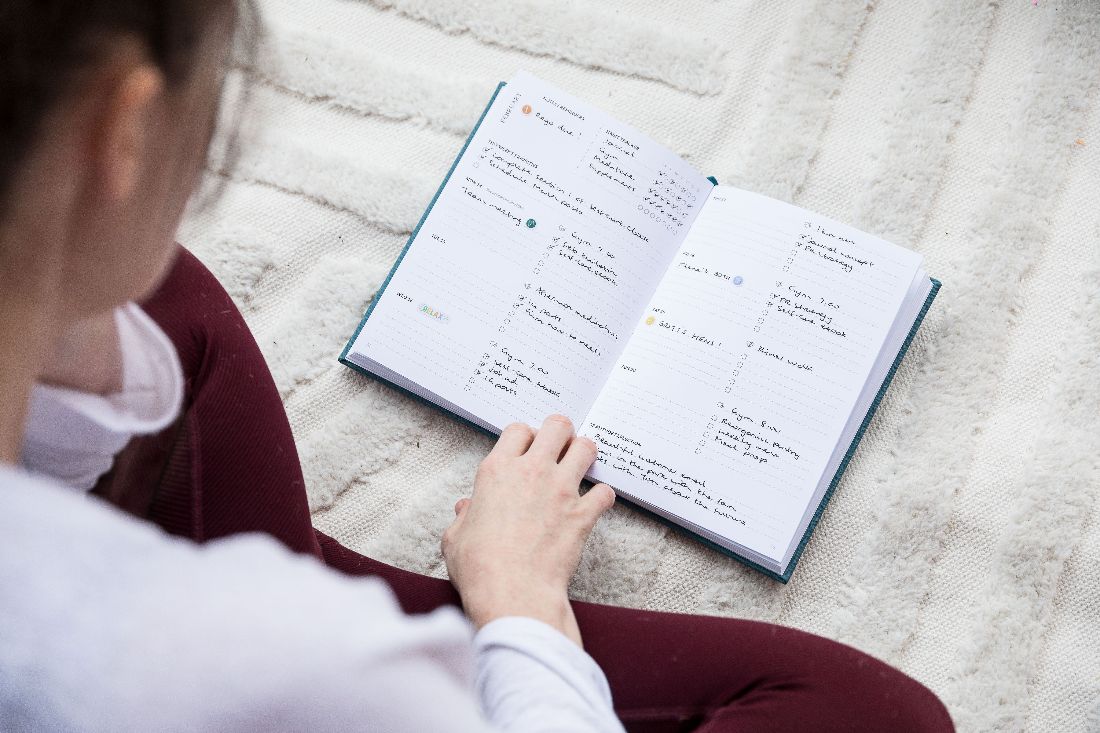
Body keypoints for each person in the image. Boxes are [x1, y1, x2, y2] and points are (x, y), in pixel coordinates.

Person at [0, 1, 956, 730]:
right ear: (124, 131)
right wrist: (519, 599)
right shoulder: (316, 673)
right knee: (873, 712)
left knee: (146, 300)